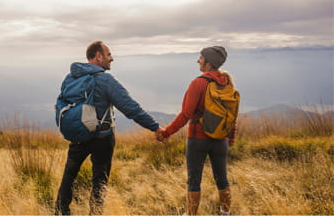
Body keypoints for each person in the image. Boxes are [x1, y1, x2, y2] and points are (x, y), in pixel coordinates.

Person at [55, 41, 165, 215]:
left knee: (69, 175)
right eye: (109, 54)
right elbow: (130, 108)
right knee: (99, 179)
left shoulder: (70, 77)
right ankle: (96, 213)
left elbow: (62, 103)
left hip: (77, 135)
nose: (111, 58)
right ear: (98, 56)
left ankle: (61, 211)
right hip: (102, 137)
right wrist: (155, 127)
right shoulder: (104, 79)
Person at [157, 46, 237, 215]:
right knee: (222, 179)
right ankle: (225, 212)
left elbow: (186, 114)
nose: (198, 61)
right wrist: (230, 137)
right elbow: (231, 114)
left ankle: (191, 214)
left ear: (208, 63)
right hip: (221, 139)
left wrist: (166, 132)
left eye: (200, 58)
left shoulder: (199, 83)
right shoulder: (227, 82)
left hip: (198, 138)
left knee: (194, 180)